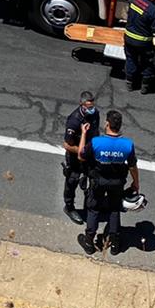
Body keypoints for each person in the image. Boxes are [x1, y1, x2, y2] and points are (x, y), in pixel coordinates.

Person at [79, 110, 138, 255]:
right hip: (117, 183)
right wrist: (136, 182)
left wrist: (84, 133)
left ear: (107, 124)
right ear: (120, 126)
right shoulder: (128, 145)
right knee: (114, 209)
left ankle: (89, 241)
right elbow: (132, 166)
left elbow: (81, 156)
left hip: (98, 181)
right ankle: (115, 244)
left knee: (93, 208)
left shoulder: (96, 142)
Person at [60, 90, 100, 225]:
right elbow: (67, 145)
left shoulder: (95, 114)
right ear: (81, 105)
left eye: (92, 106)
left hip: (90, 155)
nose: (91, 109)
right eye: (88, 107)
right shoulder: (74, 121)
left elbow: (96, 132)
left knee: (93, 180)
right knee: (72, 181)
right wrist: (82, 152)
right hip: (75, 158)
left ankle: (89, 205)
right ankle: (69, 207)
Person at [121, 0, 155, 93]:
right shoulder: (154, 10)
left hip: (128, 38)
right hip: (143, 43)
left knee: (130, 59)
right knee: (147, 63)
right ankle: (144, 87)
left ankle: (129, 84)